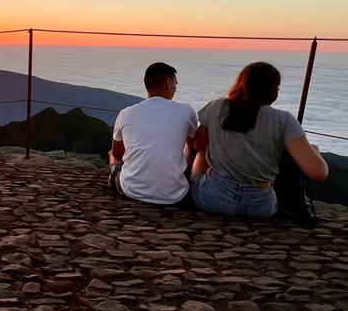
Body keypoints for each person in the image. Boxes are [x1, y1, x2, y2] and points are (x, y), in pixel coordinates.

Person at [190, 62, 328, 217]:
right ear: (274, 90)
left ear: (240, 84)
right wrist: (315, 152)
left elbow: (198, 144)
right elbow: (319, 173)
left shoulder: (217, 106)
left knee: (202, 153)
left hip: (212, 199)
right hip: (260, 206)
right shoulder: (283, 120)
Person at [108, 62, 198, 205]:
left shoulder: (126, 113)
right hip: (175, 195)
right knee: (187, 151)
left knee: (111, 154)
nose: (175, 88)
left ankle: (131, 177)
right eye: (175, 83)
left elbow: (118, 154)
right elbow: (193, 149)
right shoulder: (186, 111)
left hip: (131, 190)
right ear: (168, 83)